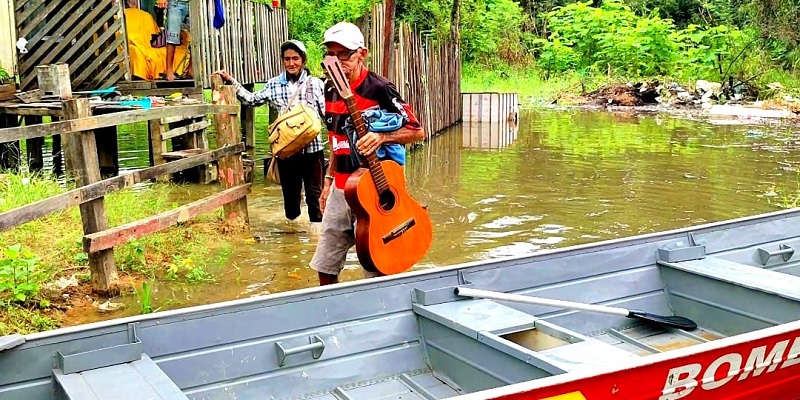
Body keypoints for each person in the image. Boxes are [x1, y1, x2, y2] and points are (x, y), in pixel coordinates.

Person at [310, 22, 426, 286]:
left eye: (345, 55)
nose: (338, 62)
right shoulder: (329, 88)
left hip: (374, 188)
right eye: (331, 55)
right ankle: (329, 312)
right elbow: (336, 140)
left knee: (377, 266)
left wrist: (383, 136)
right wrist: (328, 183)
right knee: (325, 263)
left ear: (362, 54)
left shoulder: (380, 88)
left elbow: (417, 131)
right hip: (341, 188)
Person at [215, 40, 327, 227]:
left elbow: (326, 114)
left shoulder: (315, 84)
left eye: (296, 59)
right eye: (287, 59)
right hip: (286, 153)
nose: (291, 63)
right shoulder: (274, 84)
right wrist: (231, 82)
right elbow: (251, 100)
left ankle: (316, 240)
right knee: (290, 203)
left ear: (304, 60)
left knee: (315, 199)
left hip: (312, 151)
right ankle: (293, 236)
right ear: (282, 61)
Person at [158, 0, 190, 80]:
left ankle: (191, 69)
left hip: (193, 3)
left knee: (196, 37)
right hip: (175, 3)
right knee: (173, 36)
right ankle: (169, 70)